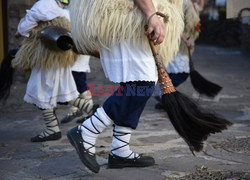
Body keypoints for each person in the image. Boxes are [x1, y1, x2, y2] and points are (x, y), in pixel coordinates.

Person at [66, 0, 184, 173]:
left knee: (135, 84)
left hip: (130, 15)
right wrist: (151, 14)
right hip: (128, 15)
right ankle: (87, 131)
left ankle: (120, 150)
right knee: (141, 85)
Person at [13, 0, 96, 142]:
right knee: (64, 91)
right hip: (60, 57)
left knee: (39, 91)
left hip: (45, 57)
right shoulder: (63, 8)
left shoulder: (44, 5)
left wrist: (20, 31)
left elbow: (26, 26)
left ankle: (53, 129)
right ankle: (92, 110)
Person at [155, 0, 204, 109]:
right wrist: (186, 40)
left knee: (173, 72)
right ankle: (163, 94)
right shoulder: (183, 3)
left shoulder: (192, 5)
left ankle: (165, 98)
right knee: (182, 73)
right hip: (178, 43)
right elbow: (175, 23)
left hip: (184, 44)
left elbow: (200, 8)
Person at [61, 55, 99, 124]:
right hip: (71, 62)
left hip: (77, 62)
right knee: (72, 86)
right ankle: (75, 110)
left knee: (81, 86)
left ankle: (89, 112)